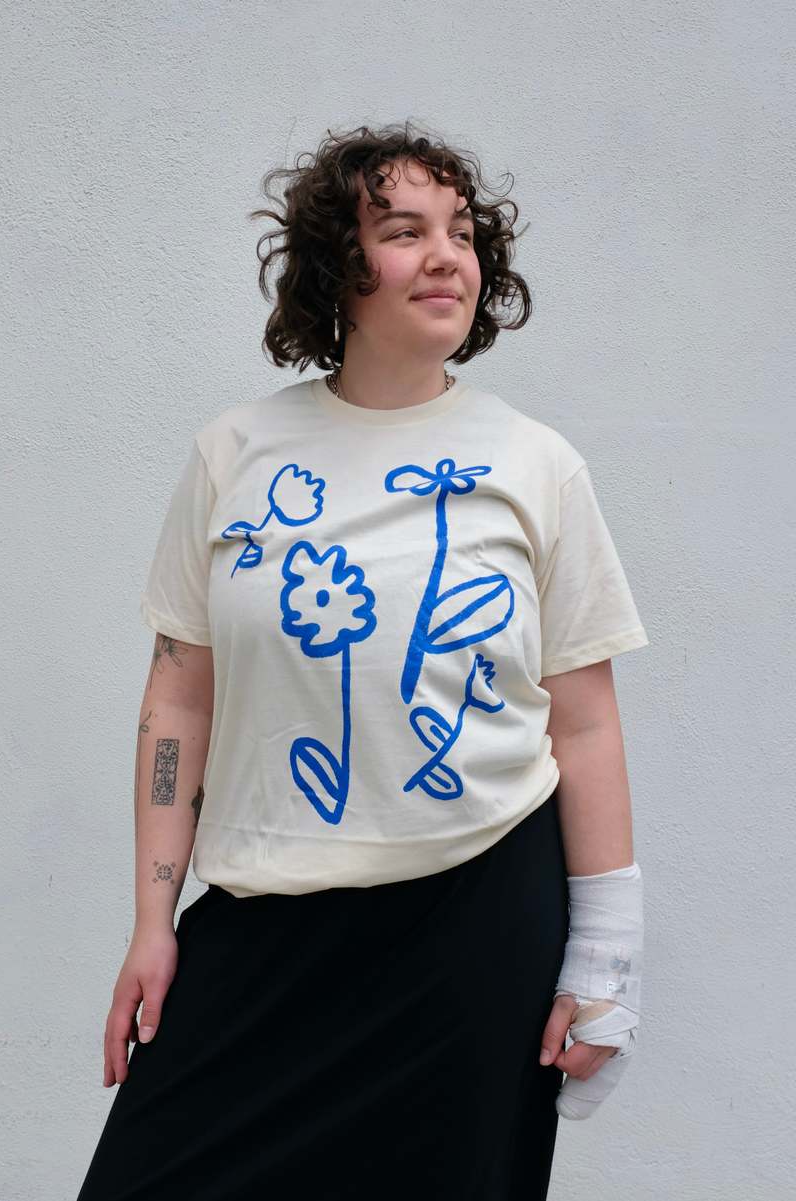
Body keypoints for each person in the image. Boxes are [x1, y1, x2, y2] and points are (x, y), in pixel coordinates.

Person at [75, 121, 649, 1201]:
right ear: (338, 266)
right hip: (264, 923)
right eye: (403, 231)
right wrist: (153, 921)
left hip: (474, 929)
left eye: (461, 232)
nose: (445, 257)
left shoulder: (535, 464)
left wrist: (606, 959)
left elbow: (583, 723)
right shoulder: (234, 455)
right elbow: (179, 698)